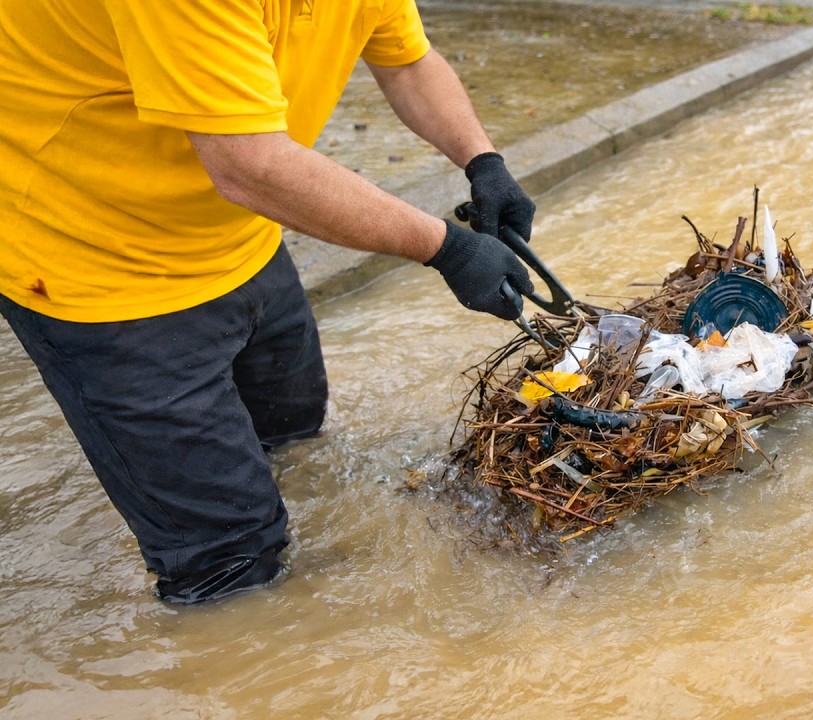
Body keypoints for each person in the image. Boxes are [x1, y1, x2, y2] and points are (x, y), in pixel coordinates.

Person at [0, 0, 538, 604]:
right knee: (228, 563)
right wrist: (449, 249)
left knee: (291, 434)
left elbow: (407, 62)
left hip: (243, 237)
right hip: (102, 272)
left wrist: (482, 159)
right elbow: (248, 165)